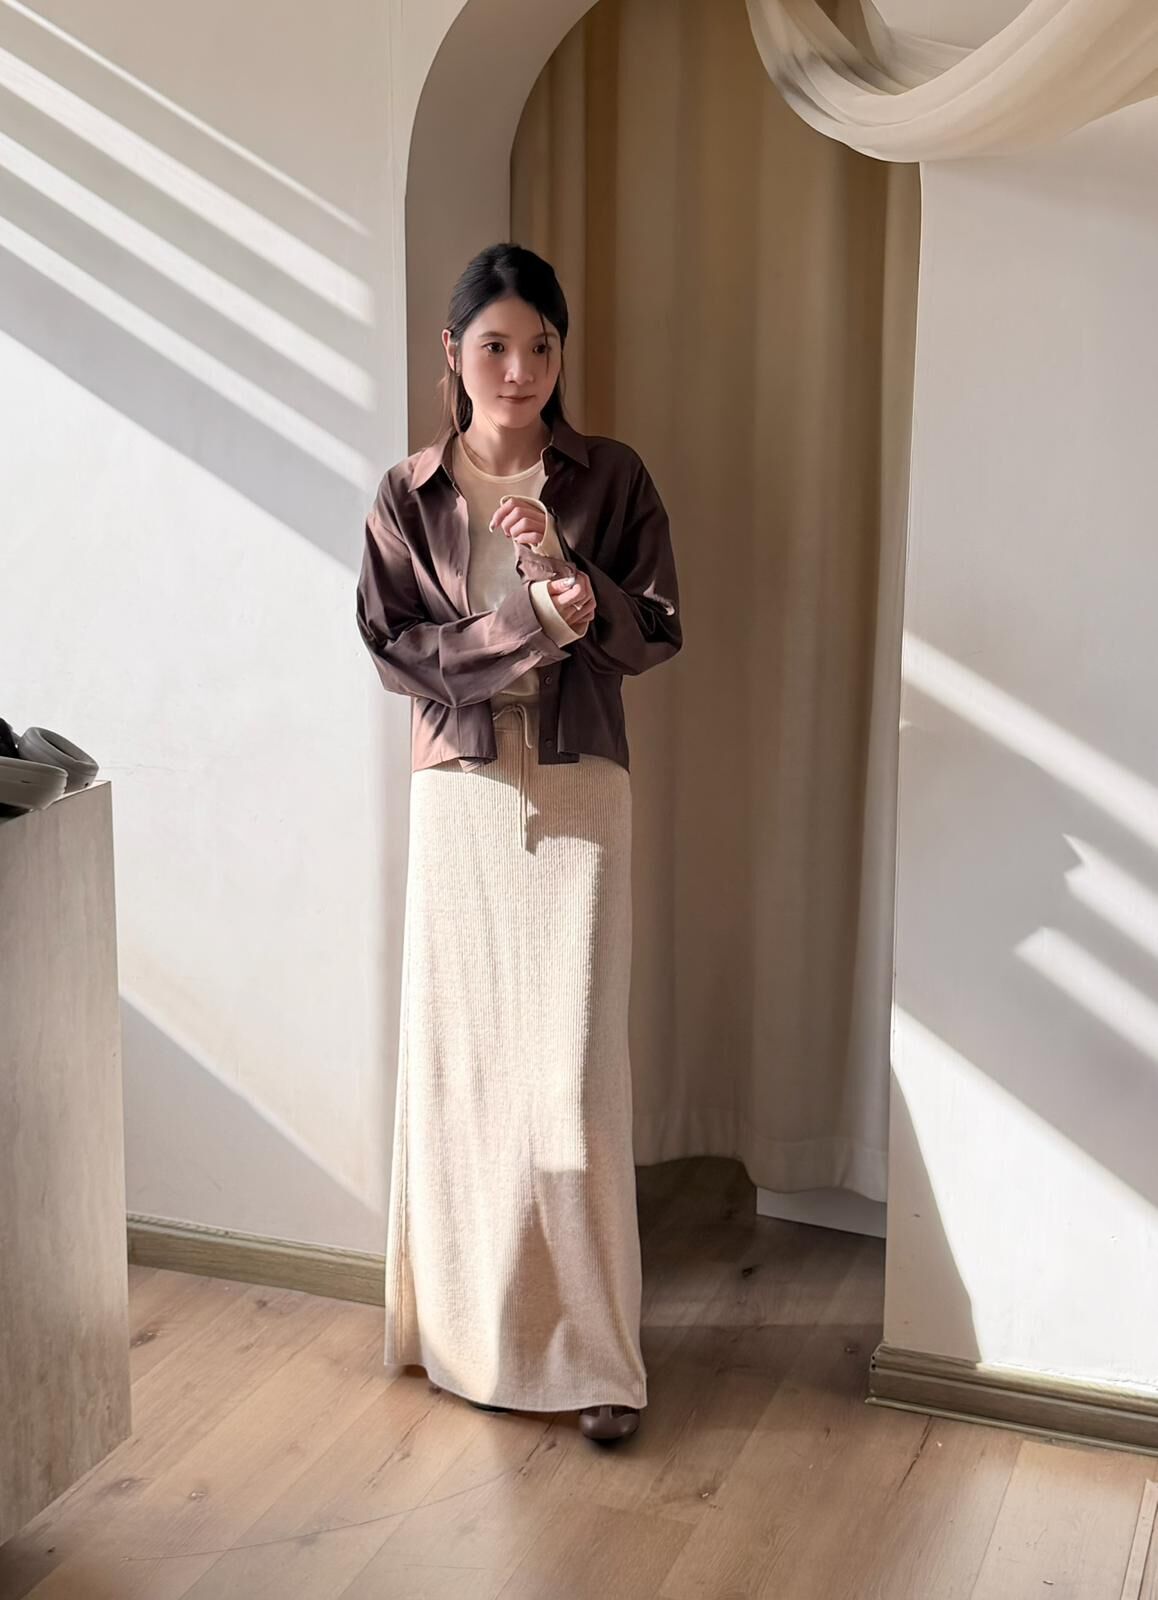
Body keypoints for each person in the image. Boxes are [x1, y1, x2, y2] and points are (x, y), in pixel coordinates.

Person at [355, 242, 681, 1445]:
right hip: (461, 796)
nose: (519, 369)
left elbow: (657, 628)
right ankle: (458, 1333)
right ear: (452, 352)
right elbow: (396, 650)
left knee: (573, 1079)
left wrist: (570, 576)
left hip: (584, 782)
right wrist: (528, 620)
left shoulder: (612, 476)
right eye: (494, 345)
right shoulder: (407, 494)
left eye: (540, 345)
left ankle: (596, 1360)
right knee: (466, 1070)